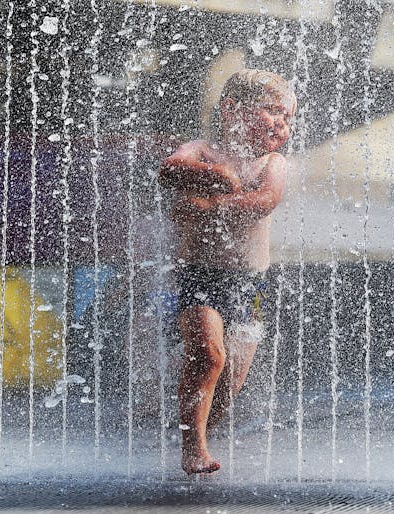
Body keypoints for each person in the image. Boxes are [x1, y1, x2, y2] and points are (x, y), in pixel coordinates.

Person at [159, 69, 296, 474]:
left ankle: (196, 429)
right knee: (208, 356)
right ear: (232, 110)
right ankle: (193, 447)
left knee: (230, 378)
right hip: (198, 276)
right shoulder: (203, 150)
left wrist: (208, 206)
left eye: (288, 118)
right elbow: (169, 169)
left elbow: (266, 200)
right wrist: (212, 174)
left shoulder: (273, 163)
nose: (282, 124)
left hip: (250, 284)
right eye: (273, 111)